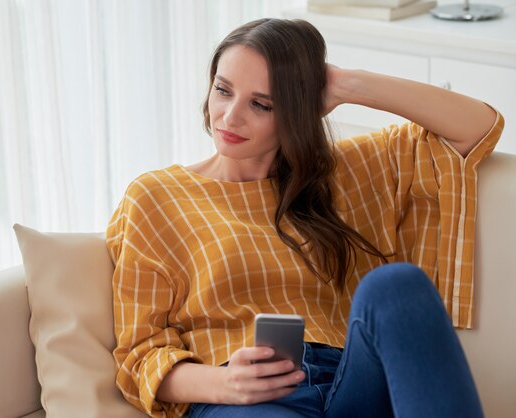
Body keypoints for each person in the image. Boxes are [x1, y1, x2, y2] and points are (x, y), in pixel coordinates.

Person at [106, 18, 503, 418]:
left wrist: (345, 85)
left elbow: (477, 128)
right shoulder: (155, 197)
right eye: (223, 90)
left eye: (261, 104)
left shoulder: (342, 174)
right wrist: (224, 383)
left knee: (396, 284)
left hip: (352, 385)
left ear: (297, 113)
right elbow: (140, 354)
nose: (228, 117)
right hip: (245, 399)